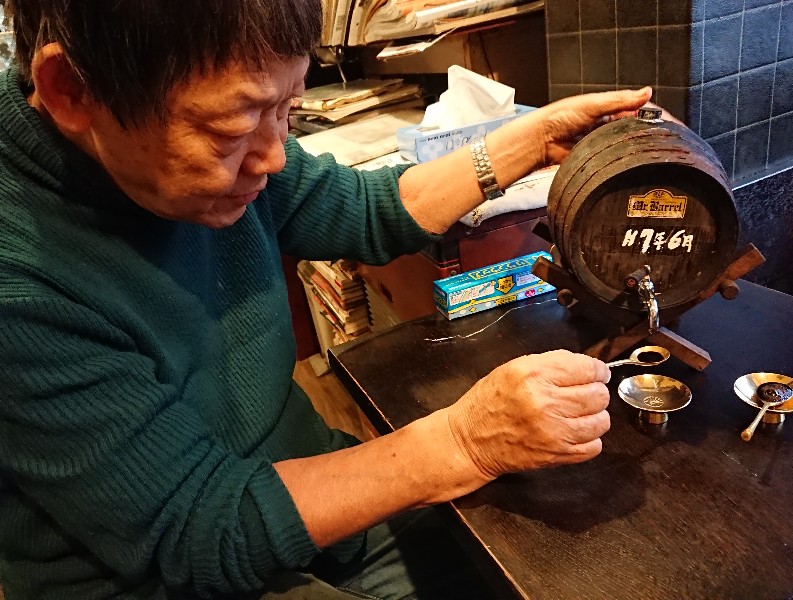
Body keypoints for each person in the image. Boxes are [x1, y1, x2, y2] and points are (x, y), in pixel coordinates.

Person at [0, 1, 654, 598]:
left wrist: (535, 140)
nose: (275, 158)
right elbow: (203, 527)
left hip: (294, 489)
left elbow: (364, 207)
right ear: (73, 90)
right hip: (172, 567)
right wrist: (464, 442)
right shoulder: (21, 282)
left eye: (286, 108)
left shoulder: (203, 160)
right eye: (233, 126)